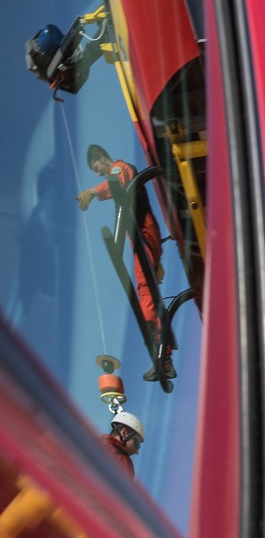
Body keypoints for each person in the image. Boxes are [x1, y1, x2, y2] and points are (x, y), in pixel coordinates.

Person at [77, 144, 175, 380]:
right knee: (146, 287)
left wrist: (91, 192)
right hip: (142, 240)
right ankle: (165, 356)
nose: (99, 171)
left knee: (145, 291)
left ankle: (158, 341)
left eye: (97, 166)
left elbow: (117, 181)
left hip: (144, 233)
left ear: (103, 158)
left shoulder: (119, 168)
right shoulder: (116, 176)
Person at [99, 411, 144, 479]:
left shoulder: (92, 442)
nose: (136, 451)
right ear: (124, 433)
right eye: (137, 444)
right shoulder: (123, 460)